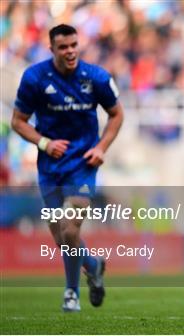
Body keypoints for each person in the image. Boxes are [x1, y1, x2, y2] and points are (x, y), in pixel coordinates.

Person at [11, 24, 124, 312]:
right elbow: (18, 121)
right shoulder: (35, 77)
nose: (70, 51)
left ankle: (71, 293)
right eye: (63, 47)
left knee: (70, 229)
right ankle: (93, 265)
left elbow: (116, 114)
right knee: (61, 237)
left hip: (83, 164)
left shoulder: (96, 76)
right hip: (49, 166)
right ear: (52, 50)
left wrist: (101, 148)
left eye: (74, 45)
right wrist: (44, 143)